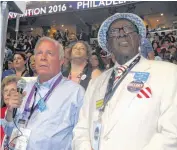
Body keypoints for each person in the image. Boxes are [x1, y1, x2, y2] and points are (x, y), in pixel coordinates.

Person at [72, 13, 177, 150]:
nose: (122, 34)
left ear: (139, 39)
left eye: (128, 29)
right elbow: (81, 129)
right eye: (114, 32)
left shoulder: (168, 73)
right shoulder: (96, 83)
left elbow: (172, 134)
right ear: (108, 45)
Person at [2, 37, 85, 150]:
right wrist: (10, 111)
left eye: (49, 53)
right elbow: (9, 131)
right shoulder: (24, 87)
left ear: (61, 60)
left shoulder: (75, 92)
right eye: (39, 53)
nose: (43, 57)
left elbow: (81, 138)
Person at [0, 76, 20, 146]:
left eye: (12, 90)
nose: (8, 94)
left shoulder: (24, 113)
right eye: (5, 91)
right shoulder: (0, 112)